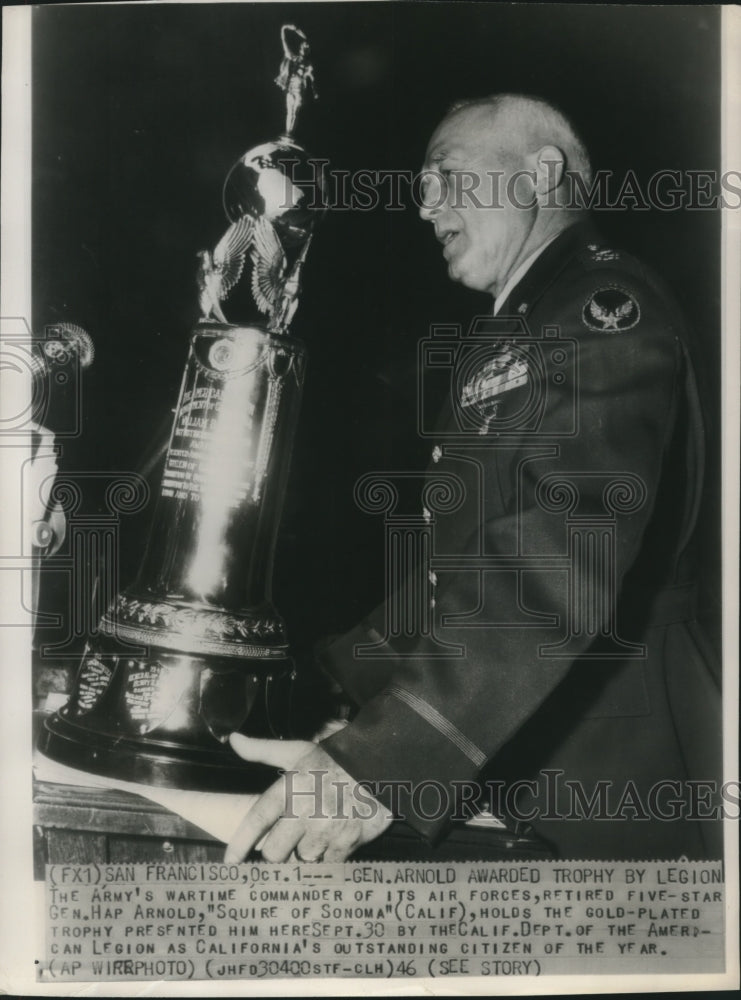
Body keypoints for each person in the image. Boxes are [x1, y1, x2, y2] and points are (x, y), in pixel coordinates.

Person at [224, 94, 722, 864]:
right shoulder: (526, 323)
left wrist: (384, 763)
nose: (424, 208)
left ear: (541, 174)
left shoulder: (603, 310)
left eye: (446, 176)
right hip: (524, 742)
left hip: (606, 772)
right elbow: (455, 574)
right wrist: (325, 690)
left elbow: (559, 546)